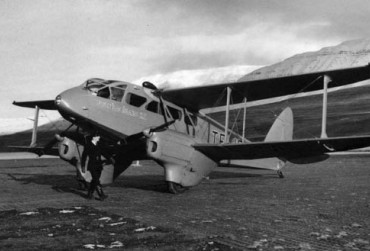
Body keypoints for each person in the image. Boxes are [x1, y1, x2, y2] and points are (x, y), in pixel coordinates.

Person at [83, 134, 108, 201]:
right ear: (93, 137)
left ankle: (89, 194)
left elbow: (104, 152)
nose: (99, 137)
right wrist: (83, 166)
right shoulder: (88, 145)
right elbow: (84, 156)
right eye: (98, 136)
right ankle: (101, 195)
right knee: (96, 180)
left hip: (99, 165)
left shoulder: (99, 144)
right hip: (92, 165)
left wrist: (110, 158)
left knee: (94, 180)